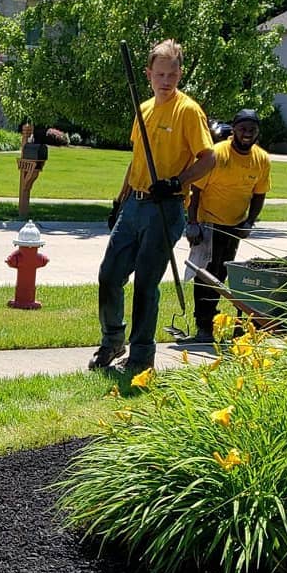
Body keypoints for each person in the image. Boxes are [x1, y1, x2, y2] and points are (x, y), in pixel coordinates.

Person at [91, 38, 215, 375]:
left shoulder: (188, 111)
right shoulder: (143, 108)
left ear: (180, 74)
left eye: (172, 74)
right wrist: (119, 201)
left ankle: (142, 355)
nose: (166, 81)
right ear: (148, 74)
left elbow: (209, 159)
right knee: (109, 275)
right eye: (160, 74)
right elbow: (136, 161)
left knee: (146, 284)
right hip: (134, 204)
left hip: (166, 208)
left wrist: (177, 182)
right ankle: (112, 340)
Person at [184, 108, 272, 342]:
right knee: (206, 276)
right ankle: (203, 327)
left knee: (222, 276)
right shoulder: (216, 154)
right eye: (243, 128)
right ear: (234, 130)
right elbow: (195, 190)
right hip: (208, 225)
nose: (247, 133)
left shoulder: (261, 159)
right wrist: (192, 223)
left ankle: (215, 322)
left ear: (257, 132)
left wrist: (249, 222)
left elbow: (259, 194)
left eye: (252, 129)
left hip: (235, 227)